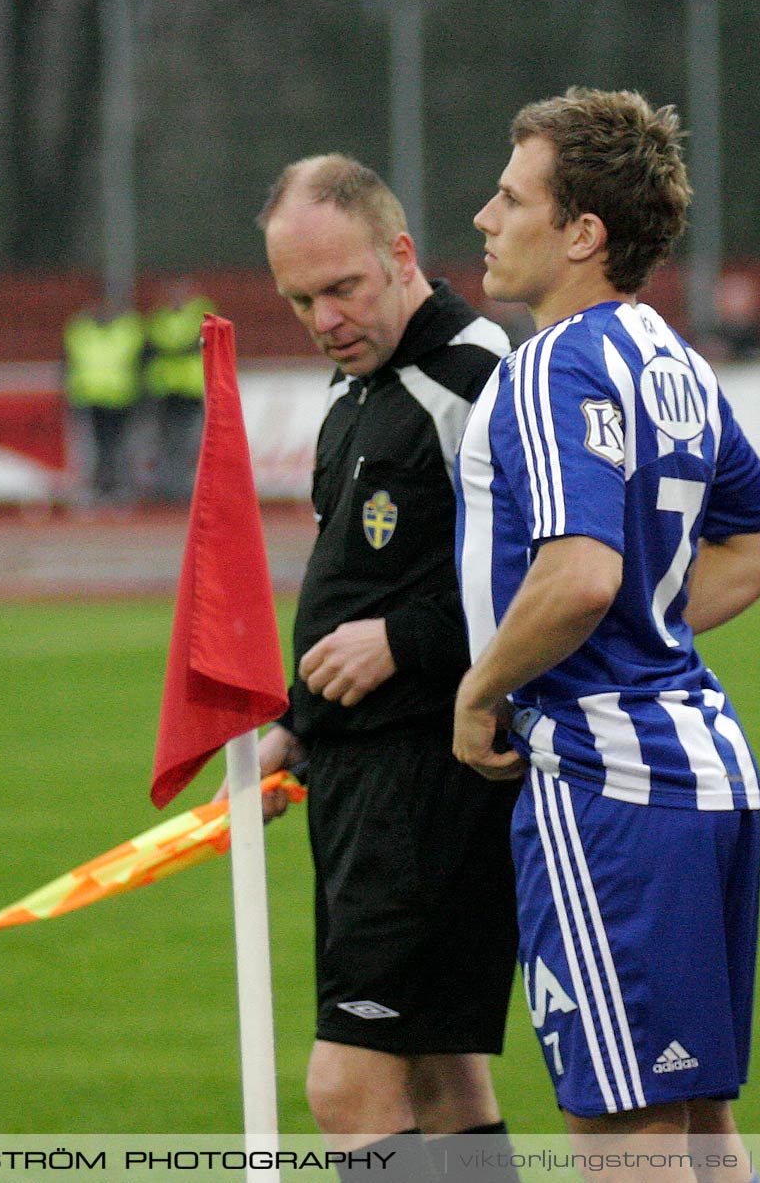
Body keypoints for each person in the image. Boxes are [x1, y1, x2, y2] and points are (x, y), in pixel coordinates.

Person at [455, 88, 760, 1179]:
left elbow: (581, 576)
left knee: (624, 1140)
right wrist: (649, 613)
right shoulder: (669, 357)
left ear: (581, 232)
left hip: (608, 781)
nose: (484, 217)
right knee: (700, 1127)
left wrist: (479, 688)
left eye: (512, 197)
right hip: (706, 773)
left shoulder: (551, 364)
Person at [257, 153, 523, 1180]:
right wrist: (300, 717)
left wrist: (406, 641)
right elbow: (360, 578)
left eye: (342, 288)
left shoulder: (478, 372)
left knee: (347, 1083)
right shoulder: (354, 388)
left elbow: (546, 569)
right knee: (442, 1073)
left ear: (400, 255)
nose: (323, 316)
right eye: (299, 298)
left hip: (428, 778)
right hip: (362, 769)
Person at [63, 295, 146, 504]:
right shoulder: (81, 330)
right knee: (93, 448)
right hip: (90, 396)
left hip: (121, 397)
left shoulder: (128, 329)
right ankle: (96, 489)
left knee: (120, 447)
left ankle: (120, 489)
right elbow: (69, 362)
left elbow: (141, 361)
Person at [143, 277, 214, 503]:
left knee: (190, 439)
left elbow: (186, 342)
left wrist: (172, 348)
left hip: (189, 387)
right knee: (166, 439)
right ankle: (167, 485)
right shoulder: (161, 317)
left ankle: (183, 484)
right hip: (166, 388)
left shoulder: (200, 313)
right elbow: (158, 344)